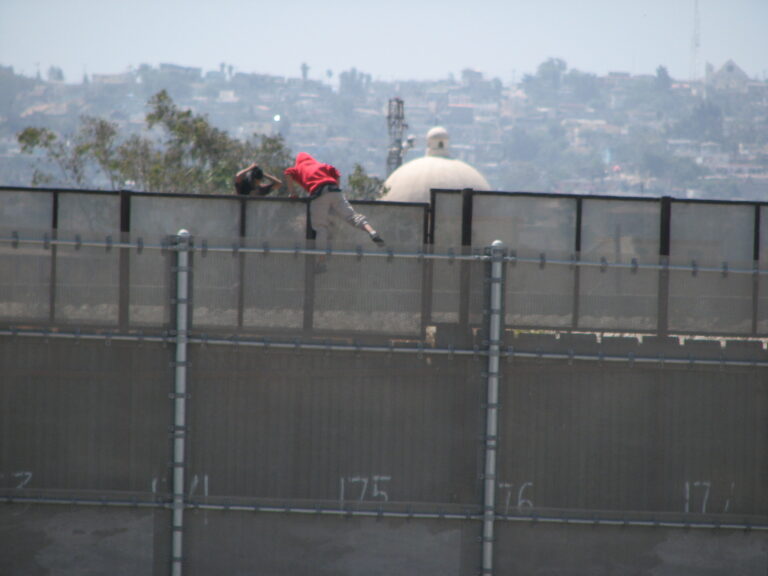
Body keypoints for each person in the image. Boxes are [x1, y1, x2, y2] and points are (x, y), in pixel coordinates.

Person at [284, 152, 385, 251]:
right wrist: (335, 188)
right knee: (352, 216)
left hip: (319, 193)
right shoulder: (321, 165)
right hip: (335, 190)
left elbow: (288, 173)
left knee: (320, 227)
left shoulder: (299, 167)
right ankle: (372, 232)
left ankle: (321, 261)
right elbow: (336, 172)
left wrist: (292, 192)